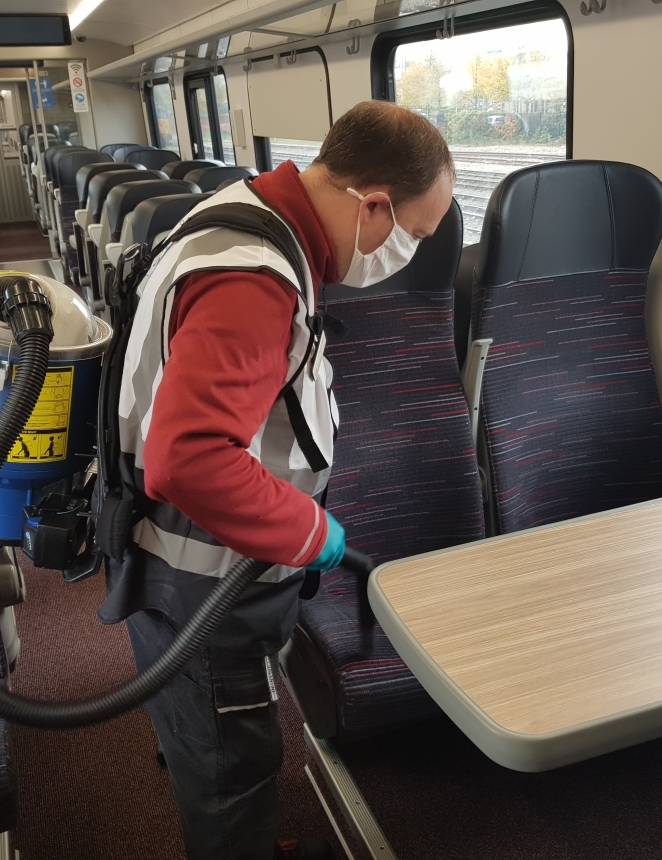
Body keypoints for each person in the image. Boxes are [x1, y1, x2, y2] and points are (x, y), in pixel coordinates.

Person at [101, 100, 456, 860]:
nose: (409, 253)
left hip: (194, 564)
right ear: (373, 205)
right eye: (414, 235)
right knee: (232, 762)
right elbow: (190, 457)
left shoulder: (253, 213)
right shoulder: (252, 277)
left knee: (215, 744)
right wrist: (310, 530)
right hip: (202, 580)